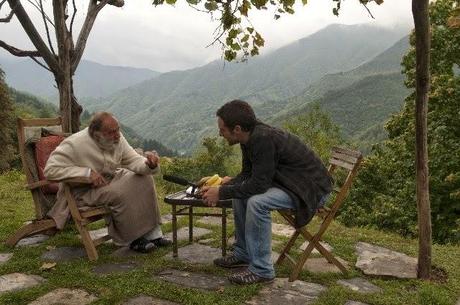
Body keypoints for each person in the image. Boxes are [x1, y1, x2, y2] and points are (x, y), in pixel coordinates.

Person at [202, 100, 332, 285]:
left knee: (257, 202)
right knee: (240, 196)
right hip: (291, 183)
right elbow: (248, 175)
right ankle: (243, 253)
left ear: (237, 129)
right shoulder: (248, 138)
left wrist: (221, 193)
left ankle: (262, 269)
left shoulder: (262, 139)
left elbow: (259, 185)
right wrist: (227, 185)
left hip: (309, 189)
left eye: (222, 130)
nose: (219, 133)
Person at [44, 112, 171, 253]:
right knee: (121, 192)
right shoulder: (75, 143)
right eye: (111, 132)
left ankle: (154, 236)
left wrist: (149, 164)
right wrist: (85, 173)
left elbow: (133, 159)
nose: (117, 135)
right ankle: (133, 239)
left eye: (118, 129)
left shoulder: (118, 138)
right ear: (96, 134)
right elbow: (50, 170)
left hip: (110, 180)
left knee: (145, 179)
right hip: (84, 191)